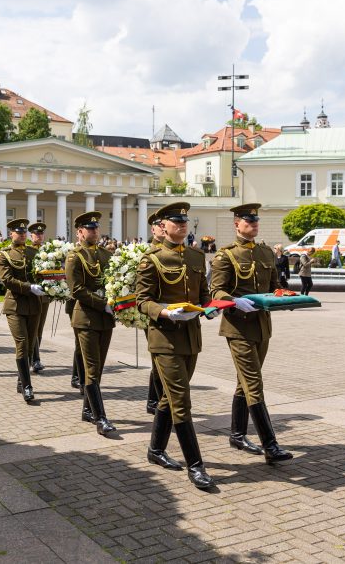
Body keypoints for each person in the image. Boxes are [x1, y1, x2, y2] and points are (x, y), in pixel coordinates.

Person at [136, 202, 217, 490]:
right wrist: (165, 312)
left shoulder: (196, 256)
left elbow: (204, 295)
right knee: (182, 402)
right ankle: (196, 466)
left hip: (191, 338)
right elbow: (142, 300)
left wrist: (212, 307)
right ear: (163, 225)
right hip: (165, 340)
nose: (182, 225)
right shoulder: (151, 259)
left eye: (184, 221)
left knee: (169, 399)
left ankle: (155, 450)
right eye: (176, 221)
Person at [209, 203, 294, 464]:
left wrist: (287, 297)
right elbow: (216, 291)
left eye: (256, 221)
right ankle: (270, 445)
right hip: (238, 328)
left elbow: (275, 287)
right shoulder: (226, 256)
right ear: (237, 224)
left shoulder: (266, 252)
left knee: (244, 383)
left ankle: (237, 434)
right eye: (248, 221)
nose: (254, 224)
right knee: (254, 384)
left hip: (262, 327)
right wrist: (234, 302)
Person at [66, 211, 116, 436]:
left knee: (99, 368)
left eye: (96, 227)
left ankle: (88, 410)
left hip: (105, 319)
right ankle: (101, 418)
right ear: (80, 232)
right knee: (92, 369)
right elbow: (76, 289)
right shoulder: (74, 256)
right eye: (89, 228)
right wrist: (102, 303)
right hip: (86, 317)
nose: (94, 231)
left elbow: (114, 282)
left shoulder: (106, 254)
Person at [0, 218, 46, 403]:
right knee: (22, 343)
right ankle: (28, 386)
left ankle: (21, 379)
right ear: (11, 234)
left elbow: (43, 273)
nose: (22, 234)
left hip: (34, 305)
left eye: (24, 232)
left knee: (32, 343)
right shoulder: (4, 254)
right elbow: (6, 279)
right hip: (15, 305)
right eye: (19, 232)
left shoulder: (34, 252)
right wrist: (29, 287)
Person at [145, 211, 166, 414]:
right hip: (153, 313)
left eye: (164, 224)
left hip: (172, 315)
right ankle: (158, 401)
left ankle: (154, 400)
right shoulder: (147, 255)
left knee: (158, 361)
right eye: (159, 225)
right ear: (153, 229)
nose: (162, 228)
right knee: (157, 358)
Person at [27, 222, 50, 373]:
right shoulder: (27, 251)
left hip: (44, 295)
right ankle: (33, 359)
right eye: (36, 234)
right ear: (31, 236)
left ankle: (35, 358)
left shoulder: (48, 251)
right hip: (31, 293)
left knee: (39, 329)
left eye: (41, 234)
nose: (39, 236)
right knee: (32, 329)